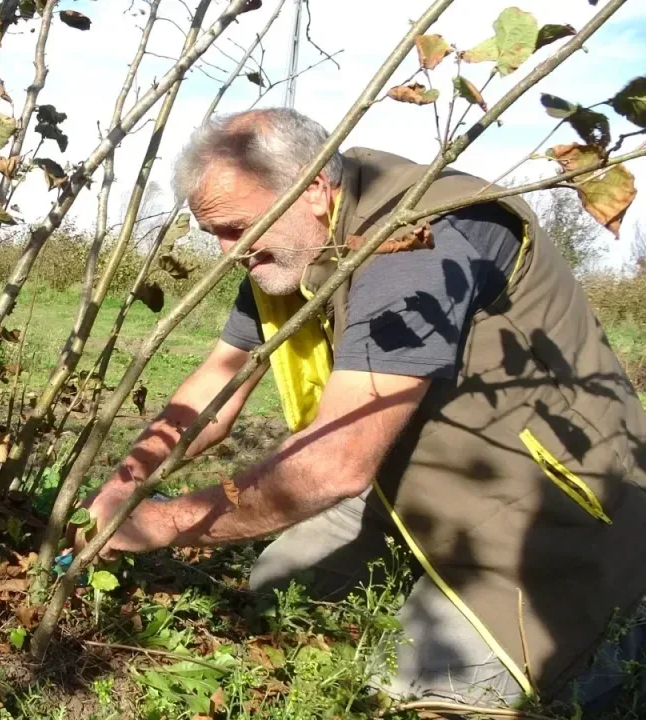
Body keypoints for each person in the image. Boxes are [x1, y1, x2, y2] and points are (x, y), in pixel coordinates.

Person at [75, 108, 646, 710]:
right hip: (409, 481)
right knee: (278, 586)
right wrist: (128, 483)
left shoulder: (413, 243)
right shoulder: (288, 246)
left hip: (552, 503)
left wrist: (163, 524)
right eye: (215, 232)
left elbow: (333, 467)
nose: (227, 251)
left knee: (425, 692)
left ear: (315, 188)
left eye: (238, 228)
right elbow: (215, 387)